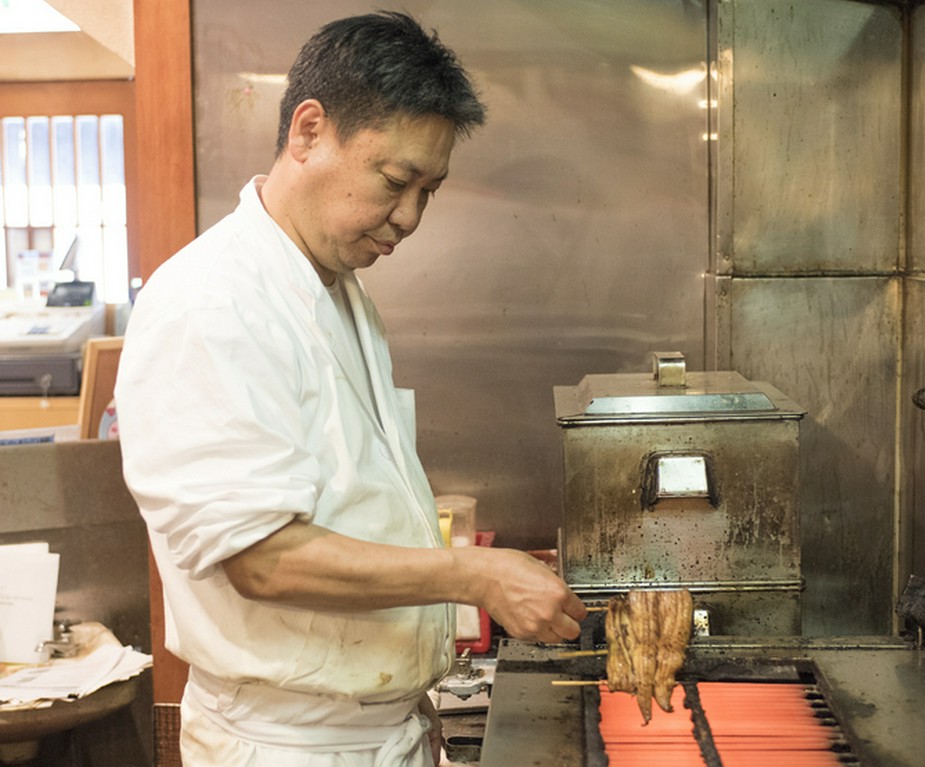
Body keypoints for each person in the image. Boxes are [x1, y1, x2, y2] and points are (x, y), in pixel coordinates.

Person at [114, 12, 587, 767]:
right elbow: (262, 557)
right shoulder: (213, 302)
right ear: (308, 131)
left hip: (380, 729)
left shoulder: (335, 290)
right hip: (289, 745)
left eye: (428, 191)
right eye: (395, 181)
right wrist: (476, 573)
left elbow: (348, 497)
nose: (409, 218)